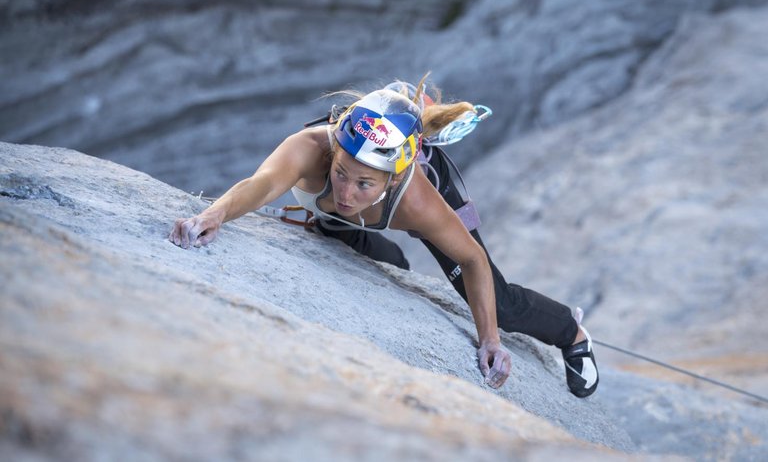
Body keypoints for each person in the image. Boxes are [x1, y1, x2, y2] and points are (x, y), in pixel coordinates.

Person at [169, 76, 598, 397]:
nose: (346, 191)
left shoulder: (417, 201)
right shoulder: (309, 148)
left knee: (498, 306)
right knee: (347, 234)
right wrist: (215, 214)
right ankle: (377, 252)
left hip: (424, 192)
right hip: (353, 212)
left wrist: (490, 338)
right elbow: (262, 184)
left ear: (391, 181)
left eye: (364, 185)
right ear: (333, 151)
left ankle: (571, 334)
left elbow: (472, 261)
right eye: (341, 174)